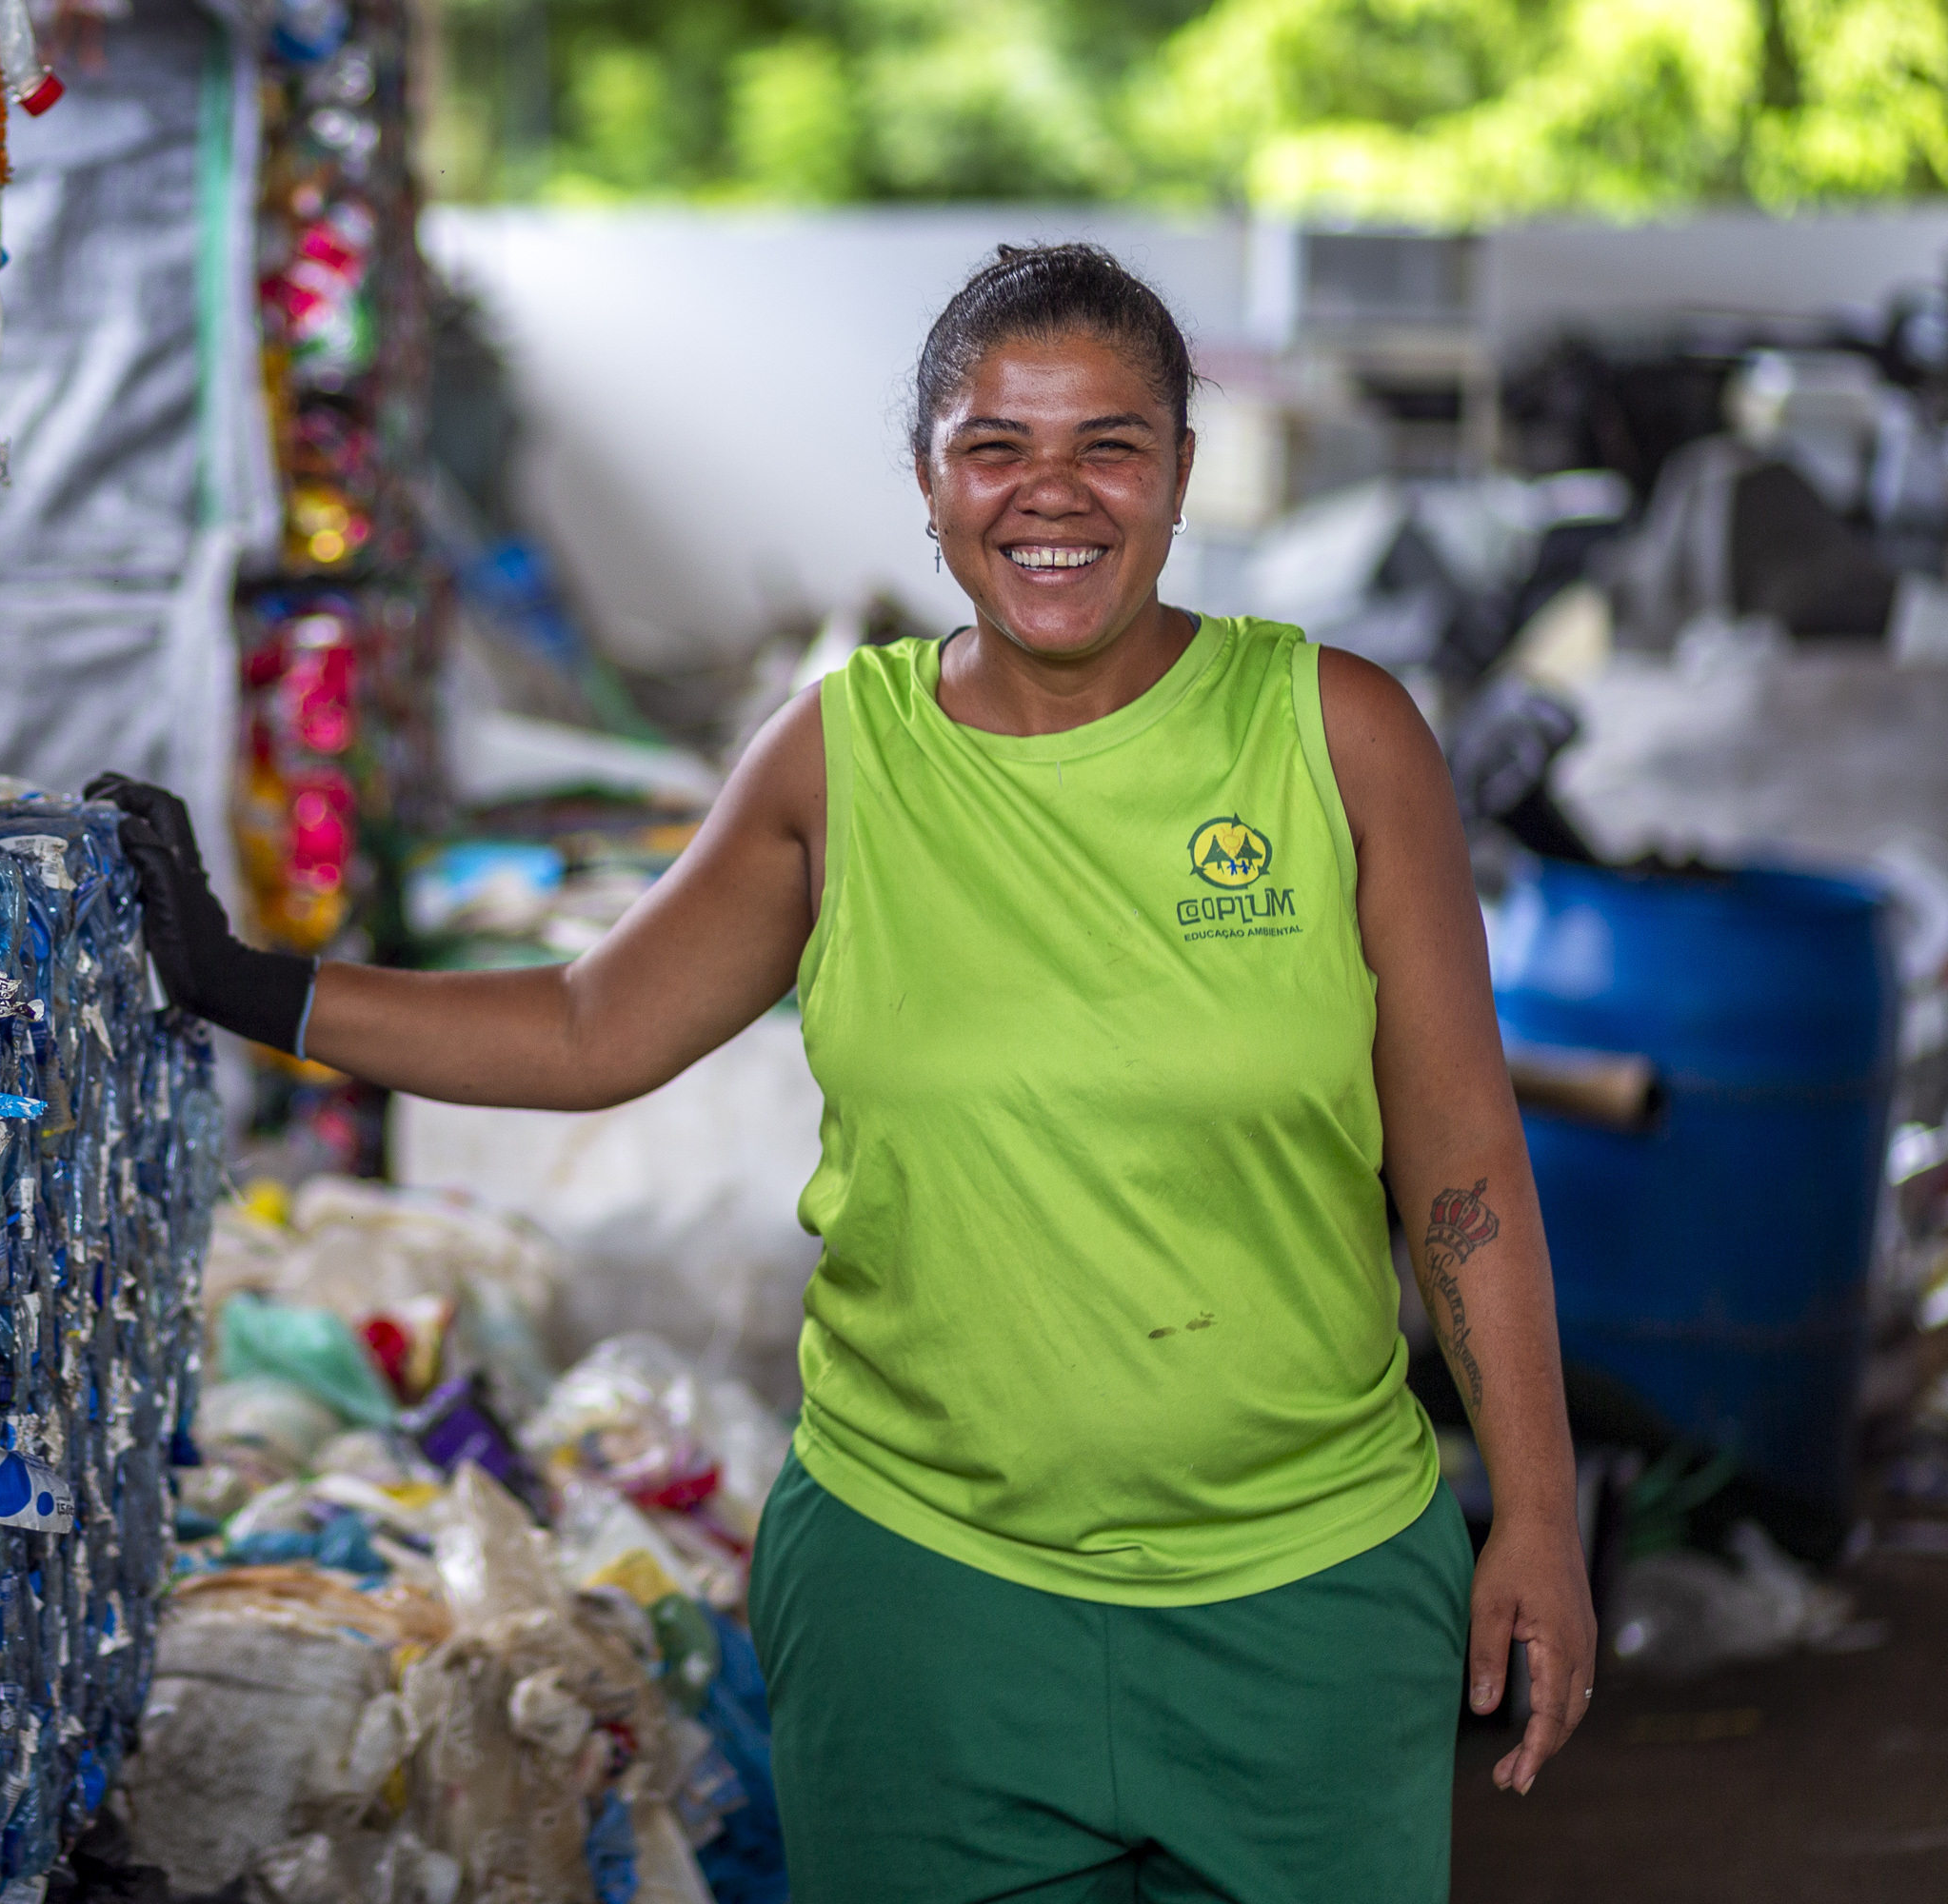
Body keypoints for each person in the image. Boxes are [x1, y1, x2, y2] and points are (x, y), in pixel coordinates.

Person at [92, 242, 1595, 1903]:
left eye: (1112, 442)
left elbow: (1462, 1161)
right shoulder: (840, 757)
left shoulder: (1339, 734)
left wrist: (1537, 1511)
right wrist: (246, 983)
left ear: (1180, 470)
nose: (1055, 494)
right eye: (996, 445)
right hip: (925, 1612)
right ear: (929, 479)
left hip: (1304, 1609)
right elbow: (595, 1027)